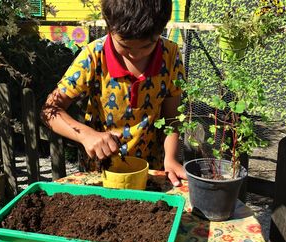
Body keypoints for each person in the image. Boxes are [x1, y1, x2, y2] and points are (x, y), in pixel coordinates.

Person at [41, 0, 186, 186]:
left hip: (150, 173)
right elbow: (49, 110)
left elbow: (171, 117)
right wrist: (85, 135)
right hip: (101, 174)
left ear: (161, 30)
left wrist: (171, 158)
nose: (135, 55)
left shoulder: (171, 55)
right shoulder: (93, 56)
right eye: (124, 46)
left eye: (146, 47)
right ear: (109, 26)